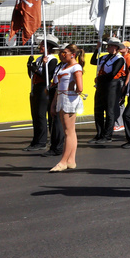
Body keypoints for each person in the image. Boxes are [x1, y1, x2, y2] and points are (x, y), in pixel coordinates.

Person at [49, 43, 84, 171]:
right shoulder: (64, 66)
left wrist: (72, 86)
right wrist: (53, 104)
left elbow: (80, 88)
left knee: (68, 132)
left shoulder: (76, 67)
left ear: (72, 55)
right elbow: (58, 87)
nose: (61, 55)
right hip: (62, 98)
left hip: (69, 99)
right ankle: (71, 160)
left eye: (64, 52)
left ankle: (63, 162)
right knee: (70, 131)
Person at [24, 34, 60, 152]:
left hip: (44, 89)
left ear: (48, 47)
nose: (40, 47)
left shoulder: (52, 60)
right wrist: (29, 66)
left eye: (42, 45)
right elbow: (32, 76)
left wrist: (37, 70)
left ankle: (41, 141)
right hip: (36, 88)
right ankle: (36, 140)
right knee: (35, 116)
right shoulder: (39, 58)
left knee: (40, 115)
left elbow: (47, 77)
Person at [91, 37, 126, 143]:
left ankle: (107, 135)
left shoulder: (119, 59)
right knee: (98, 110)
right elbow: (93, 61)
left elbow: (113, 73)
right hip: (101, 85)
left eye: (110, 46)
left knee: (110, 110)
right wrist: (97, 49)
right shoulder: (104, 57)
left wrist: (100, 78)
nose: (108, 47)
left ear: (116, 47)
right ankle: (99, 134)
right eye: (108, 45)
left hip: (112, 86)